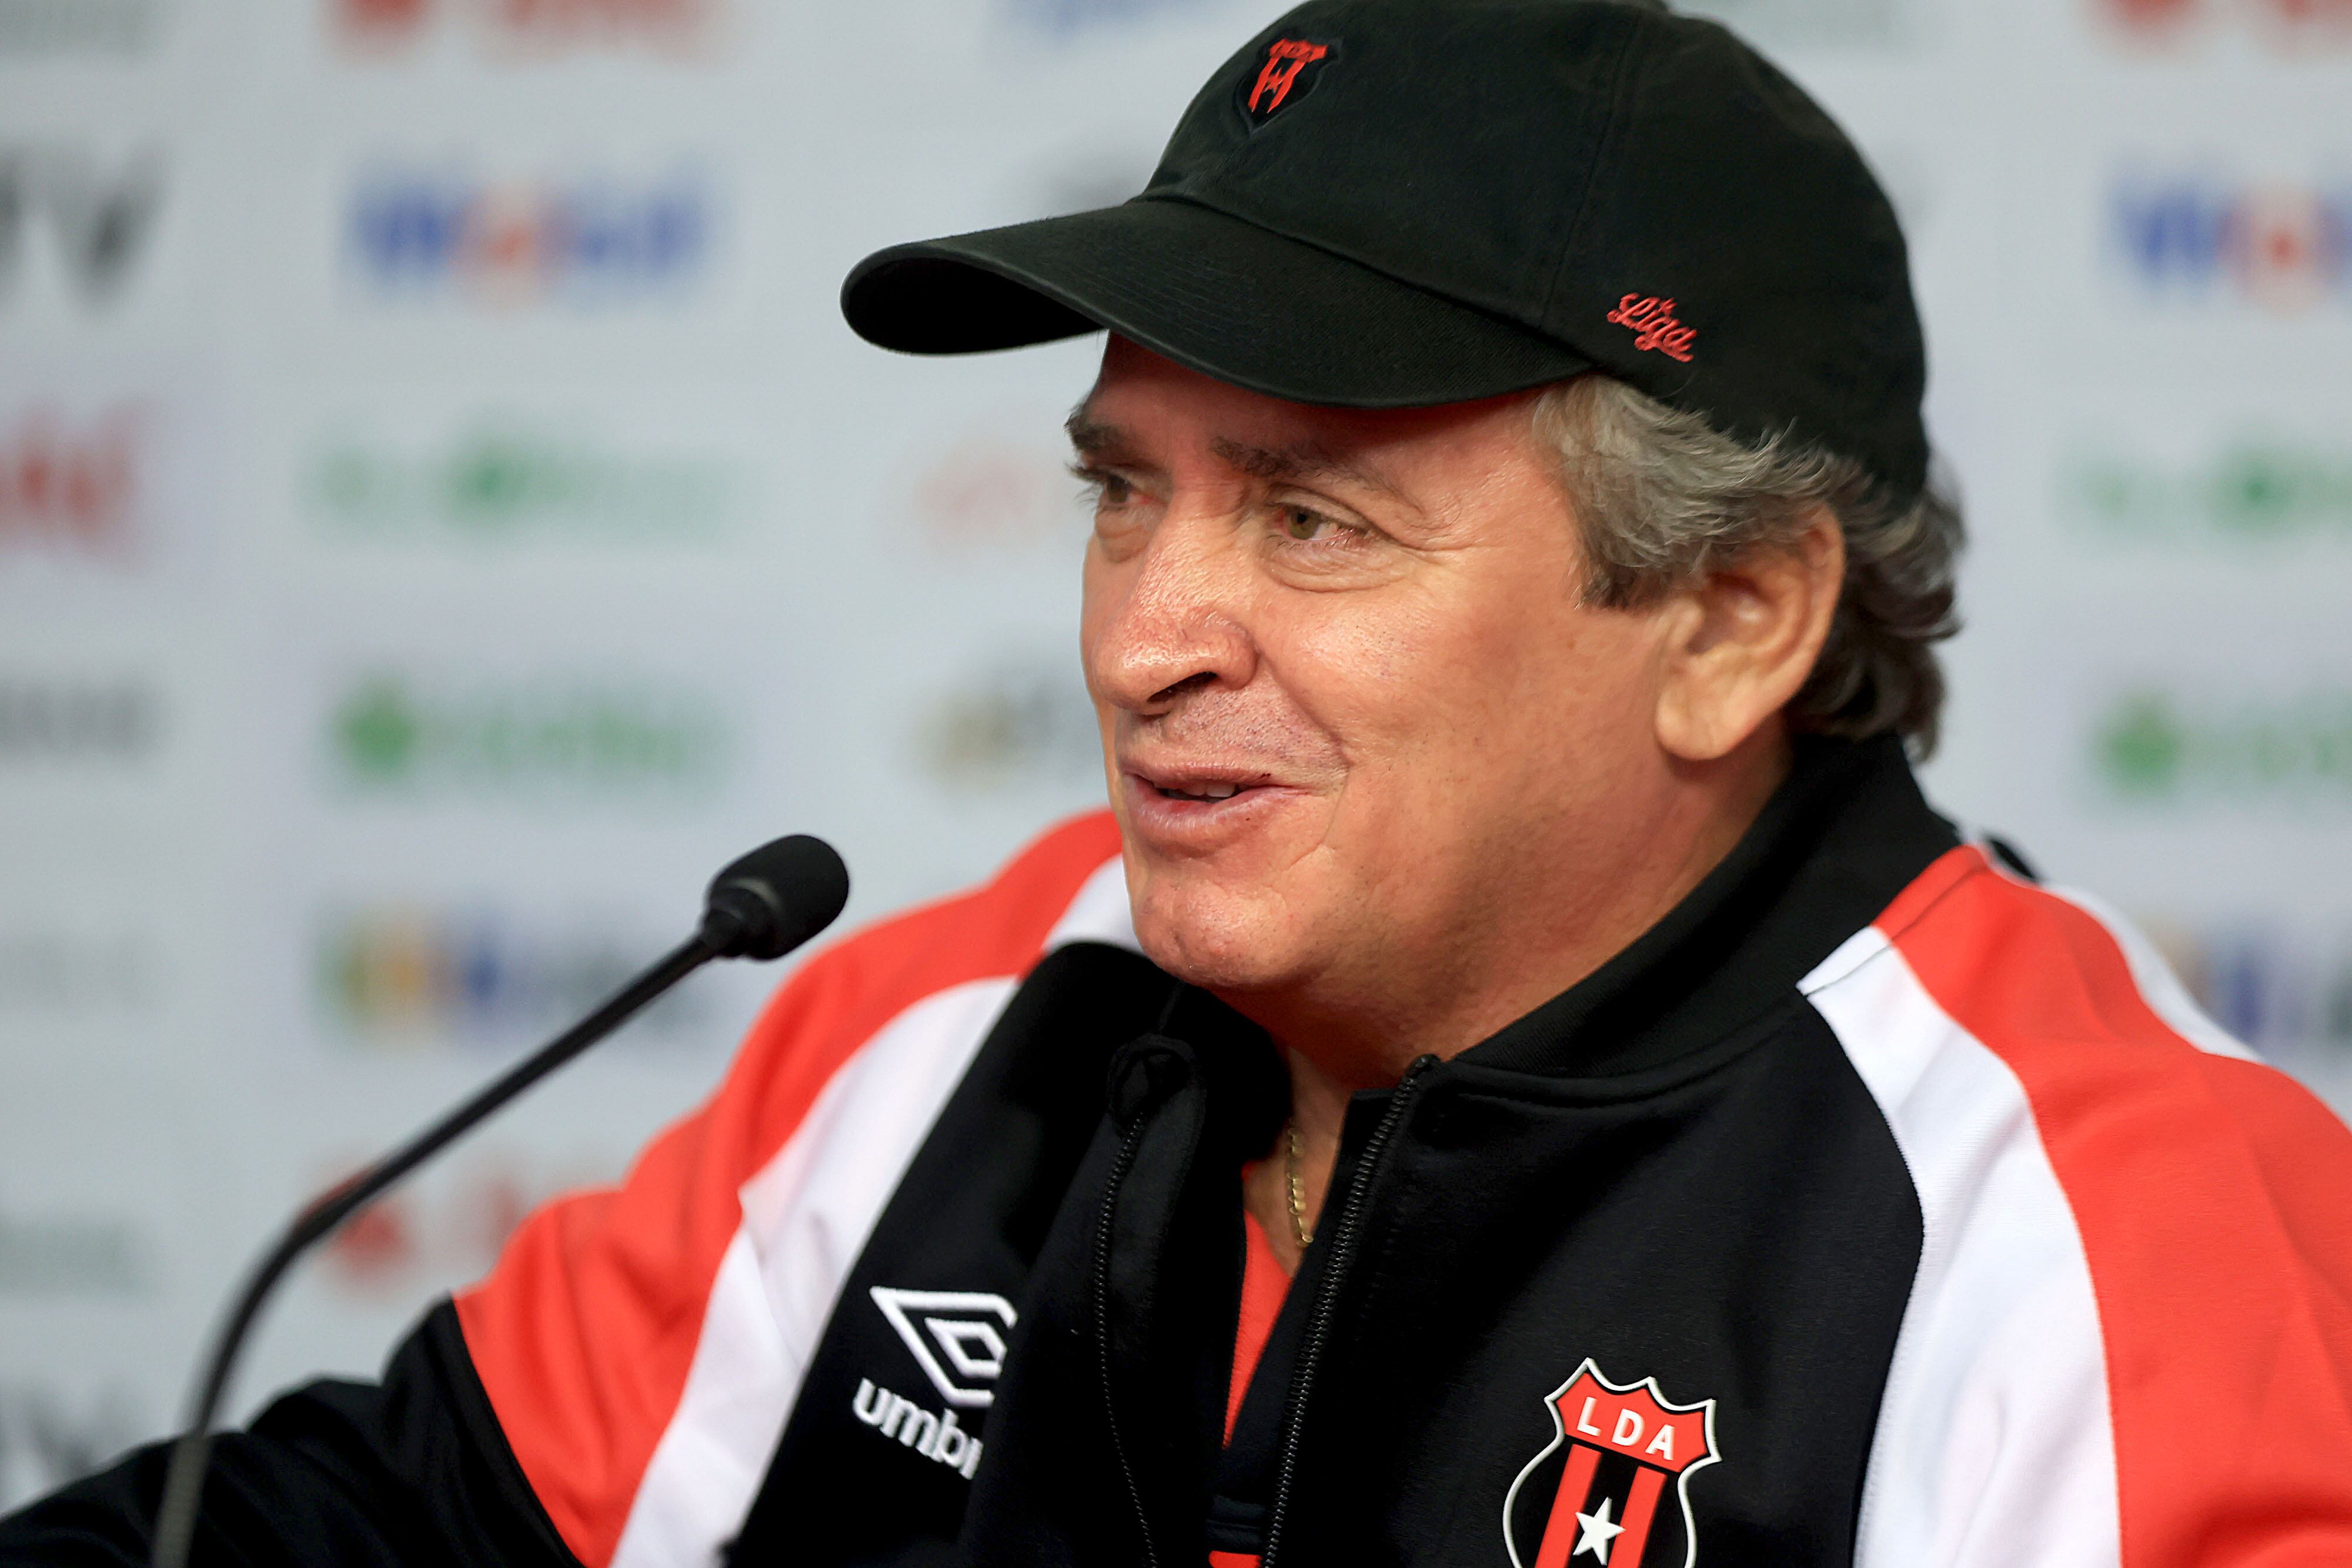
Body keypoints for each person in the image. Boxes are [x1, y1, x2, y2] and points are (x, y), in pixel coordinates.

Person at [9, 1, 2352, 1564]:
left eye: (1310, 518)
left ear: (1731, 616)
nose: (1138, 637)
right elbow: (395, 1522)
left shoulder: (2125, 1253)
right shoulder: (963, 1022)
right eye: (1121, 492)